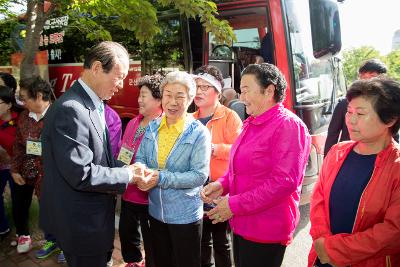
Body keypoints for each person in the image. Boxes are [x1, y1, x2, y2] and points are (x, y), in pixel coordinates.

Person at [201, 63, 311, 267]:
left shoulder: (288, 125)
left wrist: (233, 204)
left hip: (266, 228)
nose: (240, 98)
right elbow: (240, 167)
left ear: (269, 90)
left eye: (245, 91)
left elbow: (283, 182)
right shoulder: (251, 123)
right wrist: (222, 184)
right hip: (242, 222)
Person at [39, 41, 136, 267]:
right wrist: (129, 175)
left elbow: (101, 158)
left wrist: (125, 169)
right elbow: (81, 173)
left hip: (92, 219)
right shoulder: (71, 109)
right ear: (96, 68)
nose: (121, 85)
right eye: (119, 77)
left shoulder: (92, 104)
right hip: (81, 224)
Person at [308, 78, 400, 267]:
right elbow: (318, 199)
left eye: (360, 113)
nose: (350, 119)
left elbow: (393, 232)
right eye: (349, 111)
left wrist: (334, 250)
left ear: (390, 120)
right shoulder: (337, 152)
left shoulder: (396, 167)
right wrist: (321, 240)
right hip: (322, 257)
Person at [134, 70, 211, 267]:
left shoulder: (199, 133)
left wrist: (160, 178)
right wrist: (141, 172)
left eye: (180, 96)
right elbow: (141, 157)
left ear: (190, 99)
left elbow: (199, 176)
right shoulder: (152, 127)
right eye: (168, 95)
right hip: (155, 213)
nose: (173, 102)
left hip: (185, 217)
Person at [9, 76, 65, 261]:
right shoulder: (25, 116)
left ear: (39, 96)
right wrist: (15, 169)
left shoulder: (61, 115)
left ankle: (66, 245)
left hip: (53, 175)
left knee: (58, 210)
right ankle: (50, 241)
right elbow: (18, 144)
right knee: (38, 209)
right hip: (28, 171)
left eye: (25, 98)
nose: (22, 103)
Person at [193, 65, 242, 267]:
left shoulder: (230, 116)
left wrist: (214, 149)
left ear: (217, 92)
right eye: (196, 86)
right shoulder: (191, 119)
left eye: (205, 87)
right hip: (197, 190)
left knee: (222, 242)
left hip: (220, 189)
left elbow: (240, 152)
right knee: (202, 241)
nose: (198, 91)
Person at [118, 73, 164, 267]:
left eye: (143, 96)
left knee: (152, 238)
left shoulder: (163, 126)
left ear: (158, 99)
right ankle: (133, 261)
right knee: (127, 232)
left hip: (149, 195)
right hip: (128, 191)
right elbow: (123, 151)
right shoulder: (134, 122)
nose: (138, 100)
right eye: (139, 95)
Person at [324, 58, 389, 156]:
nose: (367, 81)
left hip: (380, 158)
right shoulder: (343, 104)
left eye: (372, 77)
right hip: (348, 157)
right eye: (362, 77)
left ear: (383, 78)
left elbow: (393, 136)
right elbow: (332, 134)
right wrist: (327, 160)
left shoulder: (389, 105)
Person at [0, 85, 18, 240]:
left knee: (18, 199)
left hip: (16, 167)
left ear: (9, 104)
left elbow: (21, 145)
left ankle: (22, 233)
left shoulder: (20, 119)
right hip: (1, 167)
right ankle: (3, 228)